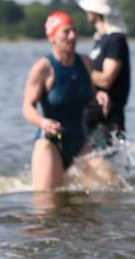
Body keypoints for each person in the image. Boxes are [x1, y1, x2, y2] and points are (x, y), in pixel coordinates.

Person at [23, 11, 110, 190]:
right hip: (51, 143)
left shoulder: (85, 62)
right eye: (66, 32)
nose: (72, 36)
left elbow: (88, 94)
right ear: (53, 37)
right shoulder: (43, 68)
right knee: (47, 199)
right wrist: (42, 122)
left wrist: (99, 96)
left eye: (74, 31)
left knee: (110, 189)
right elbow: (27, 107)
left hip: (81, 142)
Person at [79, 0, 131, 150]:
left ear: (97, 11)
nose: (87, 11)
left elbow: (107, 80)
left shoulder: (115, 40)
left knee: (108, 160)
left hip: (109, 117)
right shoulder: (101, 40)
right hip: (94, 114)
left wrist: (80, 70)